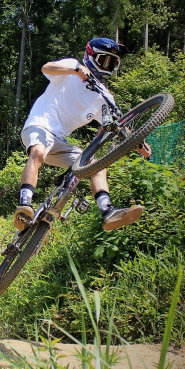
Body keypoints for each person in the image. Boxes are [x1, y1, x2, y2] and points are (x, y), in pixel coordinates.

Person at [14, 37, 151, 231]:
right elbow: (46, 68)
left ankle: (107, 211)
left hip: (60, 141)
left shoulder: (103, 96)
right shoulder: (72, 66)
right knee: (38, 151)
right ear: (91, 56)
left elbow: (119, 126)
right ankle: (25, 205)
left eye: (113, 63)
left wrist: (139, 143)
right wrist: (75, 70)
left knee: (97, 165)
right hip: (39, 125)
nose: (108, 67)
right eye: (104, 61)